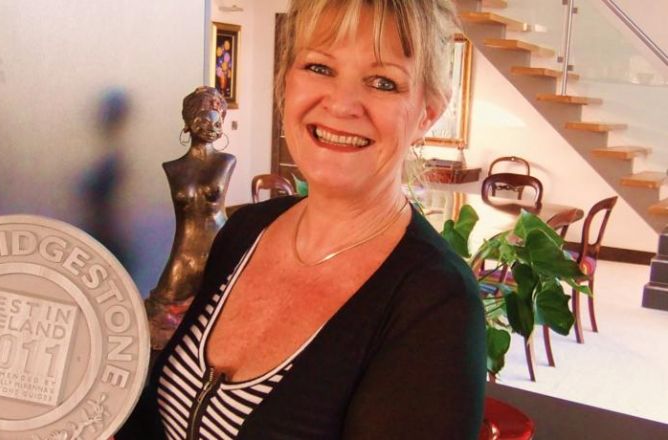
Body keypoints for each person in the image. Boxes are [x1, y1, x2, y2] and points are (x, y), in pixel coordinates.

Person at [120, 0, 485, 438]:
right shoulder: (245, 231)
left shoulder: (435, 304)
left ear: (427, 113)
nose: (342, 104)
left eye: (383, 82)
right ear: (286, 82)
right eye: (319, 67)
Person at [146, 86, 237, 350]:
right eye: (202, 121)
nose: (211, 128)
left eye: (216, 123)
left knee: (222, 314)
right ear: (188, 124)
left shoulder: (226, 161)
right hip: (184, 252)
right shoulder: (173, 168)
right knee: (162, 313)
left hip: (220, 246)